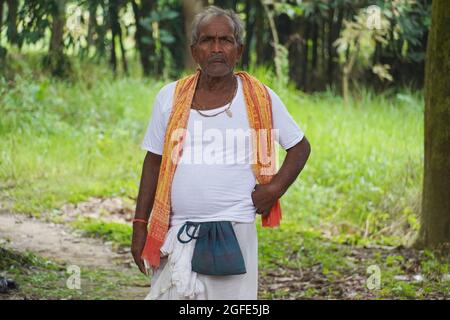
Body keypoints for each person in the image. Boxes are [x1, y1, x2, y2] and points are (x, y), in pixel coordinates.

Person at [131, 5, 311, 300]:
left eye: (225, 40)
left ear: (238, 50)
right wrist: (140, 225)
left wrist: (275, 188)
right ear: (194, 51)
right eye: (207, 40)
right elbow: (154, 162)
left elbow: (300, 147)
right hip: (175, 232)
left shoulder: (260, 97)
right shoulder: (169, 97)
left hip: (235, 231)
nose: (217, 48)